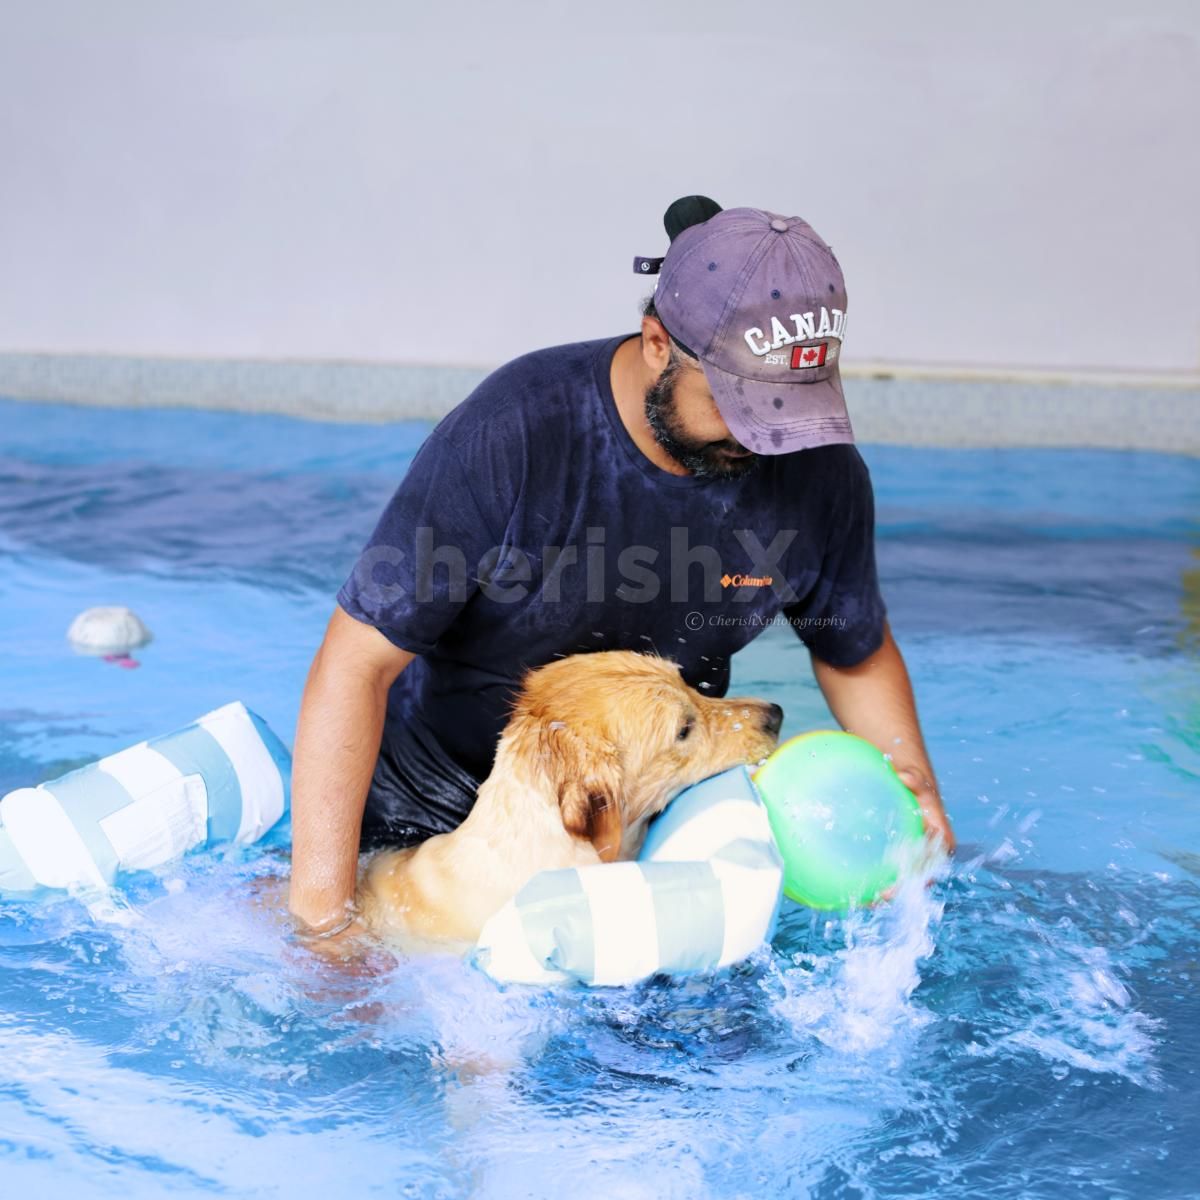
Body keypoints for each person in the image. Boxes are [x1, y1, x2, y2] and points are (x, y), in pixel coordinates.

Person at [288, 195, 954, 943]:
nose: (767, 440)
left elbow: (851, 646)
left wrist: (916, 793)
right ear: (658, 342)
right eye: (741, 405)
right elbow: (355, 664)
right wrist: (322, 925)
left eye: (789, 407)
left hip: (653, 794)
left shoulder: (820, 472)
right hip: (433, 808)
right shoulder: (516, 432)